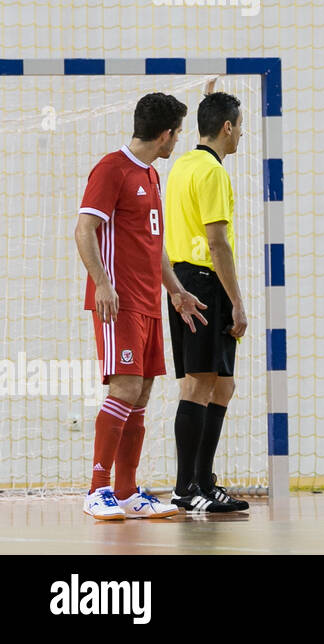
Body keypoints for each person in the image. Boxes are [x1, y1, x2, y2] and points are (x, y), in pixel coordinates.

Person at [75, 93, 207, 520]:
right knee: (125, 387)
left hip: (149, 301)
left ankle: (128, 491)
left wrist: (174, 290)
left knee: (143, 392)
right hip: (119, 301)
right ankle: (97, 490)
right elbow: (84, 230)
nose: (177, 142)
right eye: (178, 134)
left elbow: (154, 247)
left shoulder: (150, 175)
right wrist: (102, 285)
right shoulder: (111, 168)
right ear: (166, 134)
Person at [163, 90, 249, 513]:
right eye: (239, 125)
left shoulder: (183, 164)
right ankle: (185, 488)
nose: (241, 134)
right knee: (197, 385)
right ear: (228, 127)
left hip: (183, 279)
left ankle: (202, 480)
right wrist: (237, 302)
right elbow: (217, 244)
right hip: (202, 283)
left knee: (222, 384)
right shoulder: (213, 173)